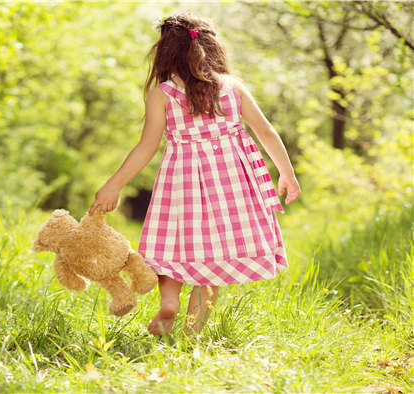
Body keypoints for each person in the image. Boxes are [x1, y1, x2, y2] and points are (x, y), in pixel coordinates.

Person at [87, 12, 301, 338]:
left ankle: (169, 301)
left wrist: (113, 185)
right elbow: (266, 132)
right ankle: (193, 332)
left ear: (165, 53)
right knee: (214, 256)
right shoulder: (232, 88)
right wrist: (286, 173)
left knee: (171, 247)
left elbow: (146, 147)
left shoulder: (163, 94)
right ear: (212, 46)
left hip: (182, 185)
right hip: (232, 186)